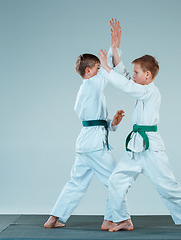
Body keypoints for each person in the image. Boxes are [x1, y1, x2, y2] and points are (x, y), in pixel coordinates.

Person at [97, 19, 181, 233]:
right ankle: (123, 219)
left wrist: (106, 67)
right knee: (116, 180)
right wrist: (115, 49)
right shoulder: (139, 86)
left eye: (137, 73)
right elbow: (125, 76)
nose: (133, 76)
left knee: (167, 185)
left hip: (151, 147)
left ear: (148, 75)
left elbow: (125, 84)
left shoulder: (150, 91)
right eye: (134, 73)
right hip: (135, 146)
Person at [44, 33, 125, 230]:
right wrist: (114, 46)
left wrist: (112, 123)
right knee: (115, 181)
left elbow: (95, 121)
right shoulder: (92, 83)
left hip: (85, 144)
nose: (101, 69)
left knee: (76, 182)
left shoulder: (86, 90)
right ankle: (110, 219)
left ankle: (55, 218)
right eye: (98, 67)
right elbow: (111, 72)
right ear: (89, 71)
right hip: (95, 146)